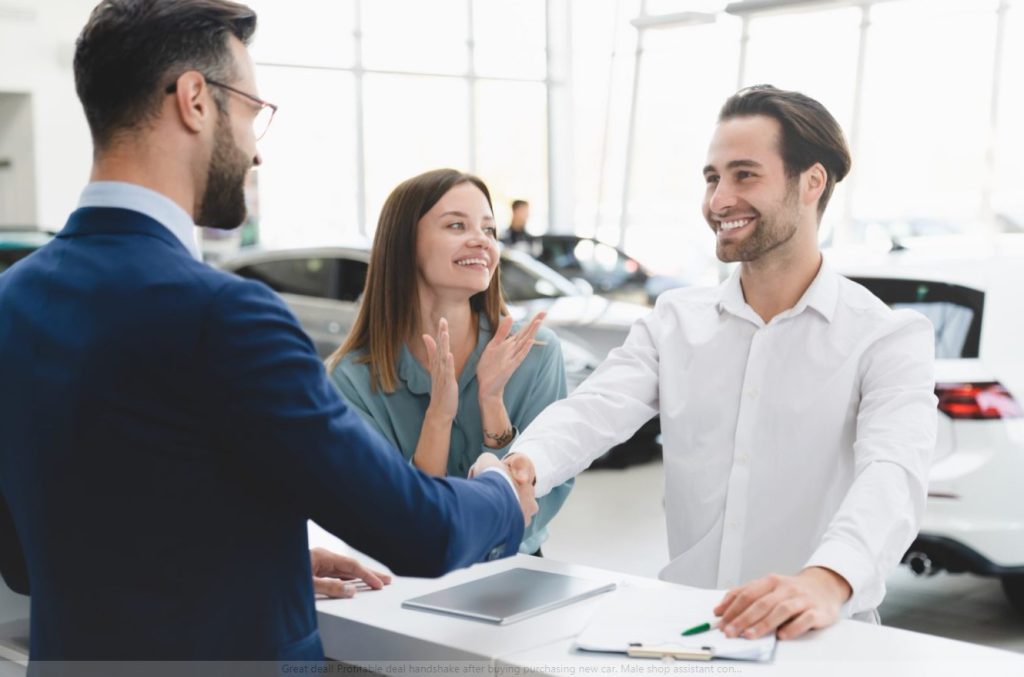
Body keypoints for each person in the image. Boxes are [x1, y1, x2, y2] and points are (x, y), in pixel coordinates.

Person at [0, 0, 535, 664]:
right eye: (253, 110)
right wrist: (501, 494)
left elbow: (27, 556)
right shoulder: (225, 315)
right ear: (196, 100)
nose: (255, 150)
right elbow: (418, 530)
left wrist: (260, 558)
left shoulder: (12, 298)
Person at [480, 85, 937, 640]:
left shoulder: (887, 337)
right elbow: (594, 409)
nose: (719, 200)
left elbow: (892, 476)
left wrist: (827, 578)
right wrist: (526, 463)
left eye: (745, 175)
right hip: (690, 634)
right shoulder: (674, 322)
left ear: (811, 182)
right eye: (712, 178)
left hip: (819, 637)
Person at [328, 169, 573, 556]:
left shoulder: (538, 351)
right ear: (404, 244)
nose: (481, 240)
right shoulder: (353, 379)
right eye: (457, 225)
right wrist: (438, 418)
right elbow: (398, 517)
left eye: (489, 230)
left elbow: (544, 495)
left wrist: (492, 404)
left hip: (516, 570)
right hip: (409, 579)